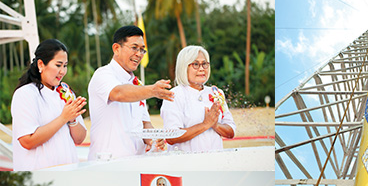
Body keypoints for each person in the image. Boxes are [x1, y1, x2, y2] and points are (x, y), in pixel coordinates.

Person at [87, 25, 174, 161]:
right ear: (116, 48)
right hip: (107, 163)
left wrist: (154, 139)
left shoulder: (137, 85)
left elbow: (145, 124)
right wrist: (152, 90)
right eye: (134, 48)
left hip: (136, 162)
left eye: (142, 50)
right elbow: (118, 93)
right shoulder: (103, 74)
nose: (139, 54)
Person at [11, 39, 87, 171]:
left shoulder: (66, 93)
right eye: (58, 65)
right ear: (41, 64)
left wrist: (72, 120)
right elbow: (27, 141)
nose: (63, 71)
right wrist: (63, 118)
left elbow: (79, 139)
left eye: (65, 65)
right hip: (39, 176)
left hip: (69, 172)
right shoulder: (25, 94)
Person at [160, 45, 236, 152]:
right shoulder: (174, 95)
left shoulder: (216, 93)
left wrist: (215, 125)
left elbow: (231, 131)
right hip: (186, 164)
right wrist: (205, 125)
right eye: (195, 64)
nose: (201, 69)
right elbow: (171, 137)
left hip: (215, 162)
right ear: (184, 67)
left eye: (204, 64)